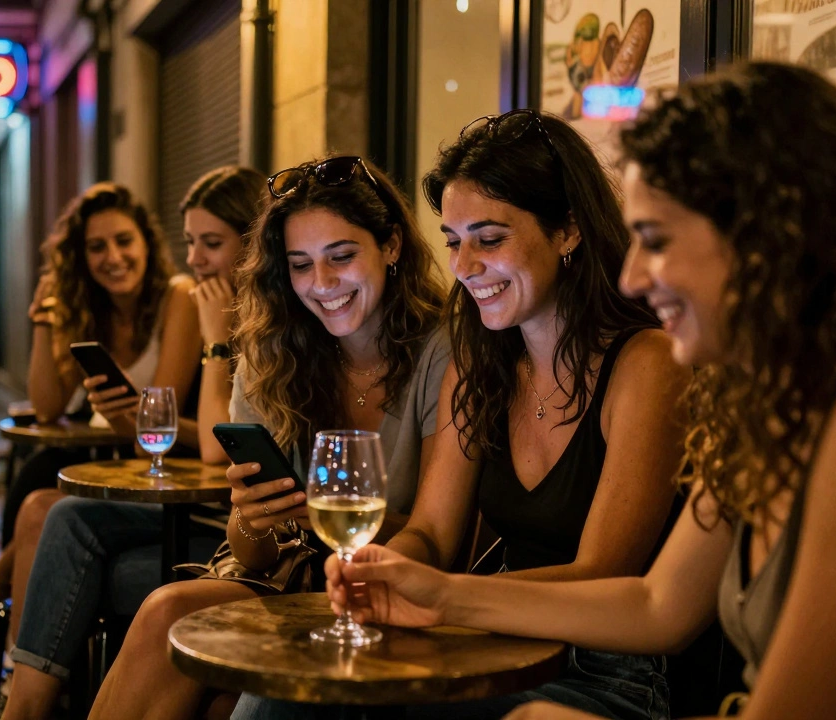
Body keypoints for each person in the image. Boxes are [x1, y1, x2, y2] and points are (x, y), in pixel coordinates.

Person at [322, 62, 836, 720]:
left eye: (655, 239)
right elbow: (658, 606)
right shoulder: (761, 403)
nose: (633, 277)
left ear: (764, 236)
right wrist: (437, 595)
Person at [234, 111, 687, 720]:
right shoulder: (480, 361)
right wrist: (386, 571)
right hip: (487, 644)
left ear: (569, 231)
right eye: (453, 241)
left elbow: (604, 572)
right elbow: (433, 534)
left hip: (603, 671)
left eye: (490, 238)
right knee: (289, 686)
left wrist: (444, 598)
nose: (465, 266)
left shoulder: (646, 362)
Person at [83, 155, 450, 720]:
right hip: (292, 579)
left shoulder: (442, 352)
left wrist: (333, 516)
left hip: (396, 592)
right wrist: (253, 514)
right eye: (301, 264)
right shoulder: (271, 354)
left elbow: (442, 538)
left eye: (342, 257)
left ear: (393, 245)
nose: (321, 284)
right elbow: (251, 557)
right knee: (166, 610)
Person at [0, 166, 272, 720]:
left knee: (57, 511)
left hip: (231, 517)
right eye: (190, 242)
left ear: (256, 242)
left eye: (211, 244)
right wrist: (46, 321)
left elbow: (206, 445)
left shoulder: (241, 317)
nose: (194, 259)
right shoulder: (223, 307)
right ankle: (23, 704)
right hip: (213, 505)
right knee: (48, 503)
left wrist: (216, 345)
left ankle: (21, 689)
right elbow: (51, 406)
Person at [0, 182, 201, 638]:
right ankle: (18, 664)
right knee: (35, 480)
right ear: (81, 257)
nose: (113, 257)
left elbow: (156, 425)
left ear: (147, 242)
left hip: (153, 459)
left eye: (124, 240)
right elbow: (47, 406)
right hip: (106, 455)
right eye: (96, 247)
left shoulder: (177, 297)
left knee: (43, 498)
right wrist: (44, 319)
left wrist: (124, 416)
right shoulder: (89, 309)